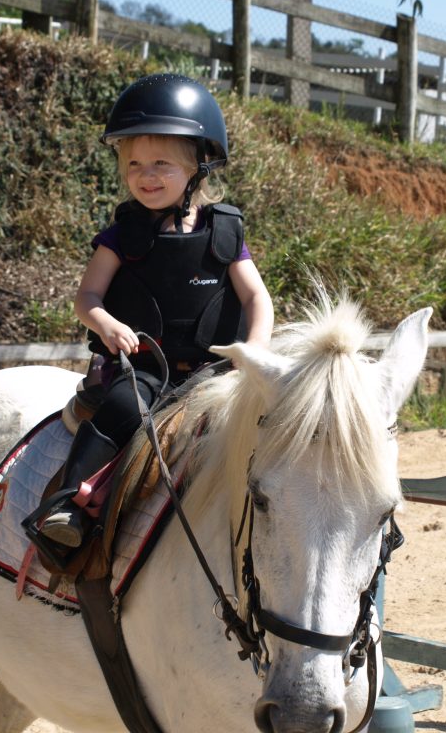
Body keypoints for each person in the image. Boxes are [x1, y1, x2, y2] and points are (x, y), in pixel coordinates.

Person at [38, 73, 274, 551]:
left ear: (197, 168)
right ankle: (66, 503)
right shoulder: (120, 237)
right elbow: (88, 298)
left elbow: (256, 299)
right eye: (135, 164)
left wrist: (254, 352)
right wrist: (107, 324)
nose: (146, 175)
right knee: (124, 408)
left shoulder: (225, 234)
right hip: (143, 369)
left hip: (215, 371)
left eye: (161, 163)